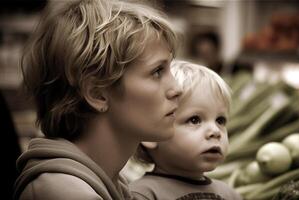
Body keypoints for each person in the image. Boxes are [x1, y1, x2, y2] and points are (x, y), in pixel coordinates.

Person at [14, 0, 182, 199]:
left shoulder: (109, 183)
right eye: (157, 71)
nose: (177, 89)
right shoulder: (66, 193)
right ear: (97, 94)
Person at [130, 60, 242, 200]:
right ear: (151, 136)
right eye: (194, 120)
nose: (215, 131)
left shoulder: (229, 194)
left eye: (220, 120)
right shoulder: (142, 194)